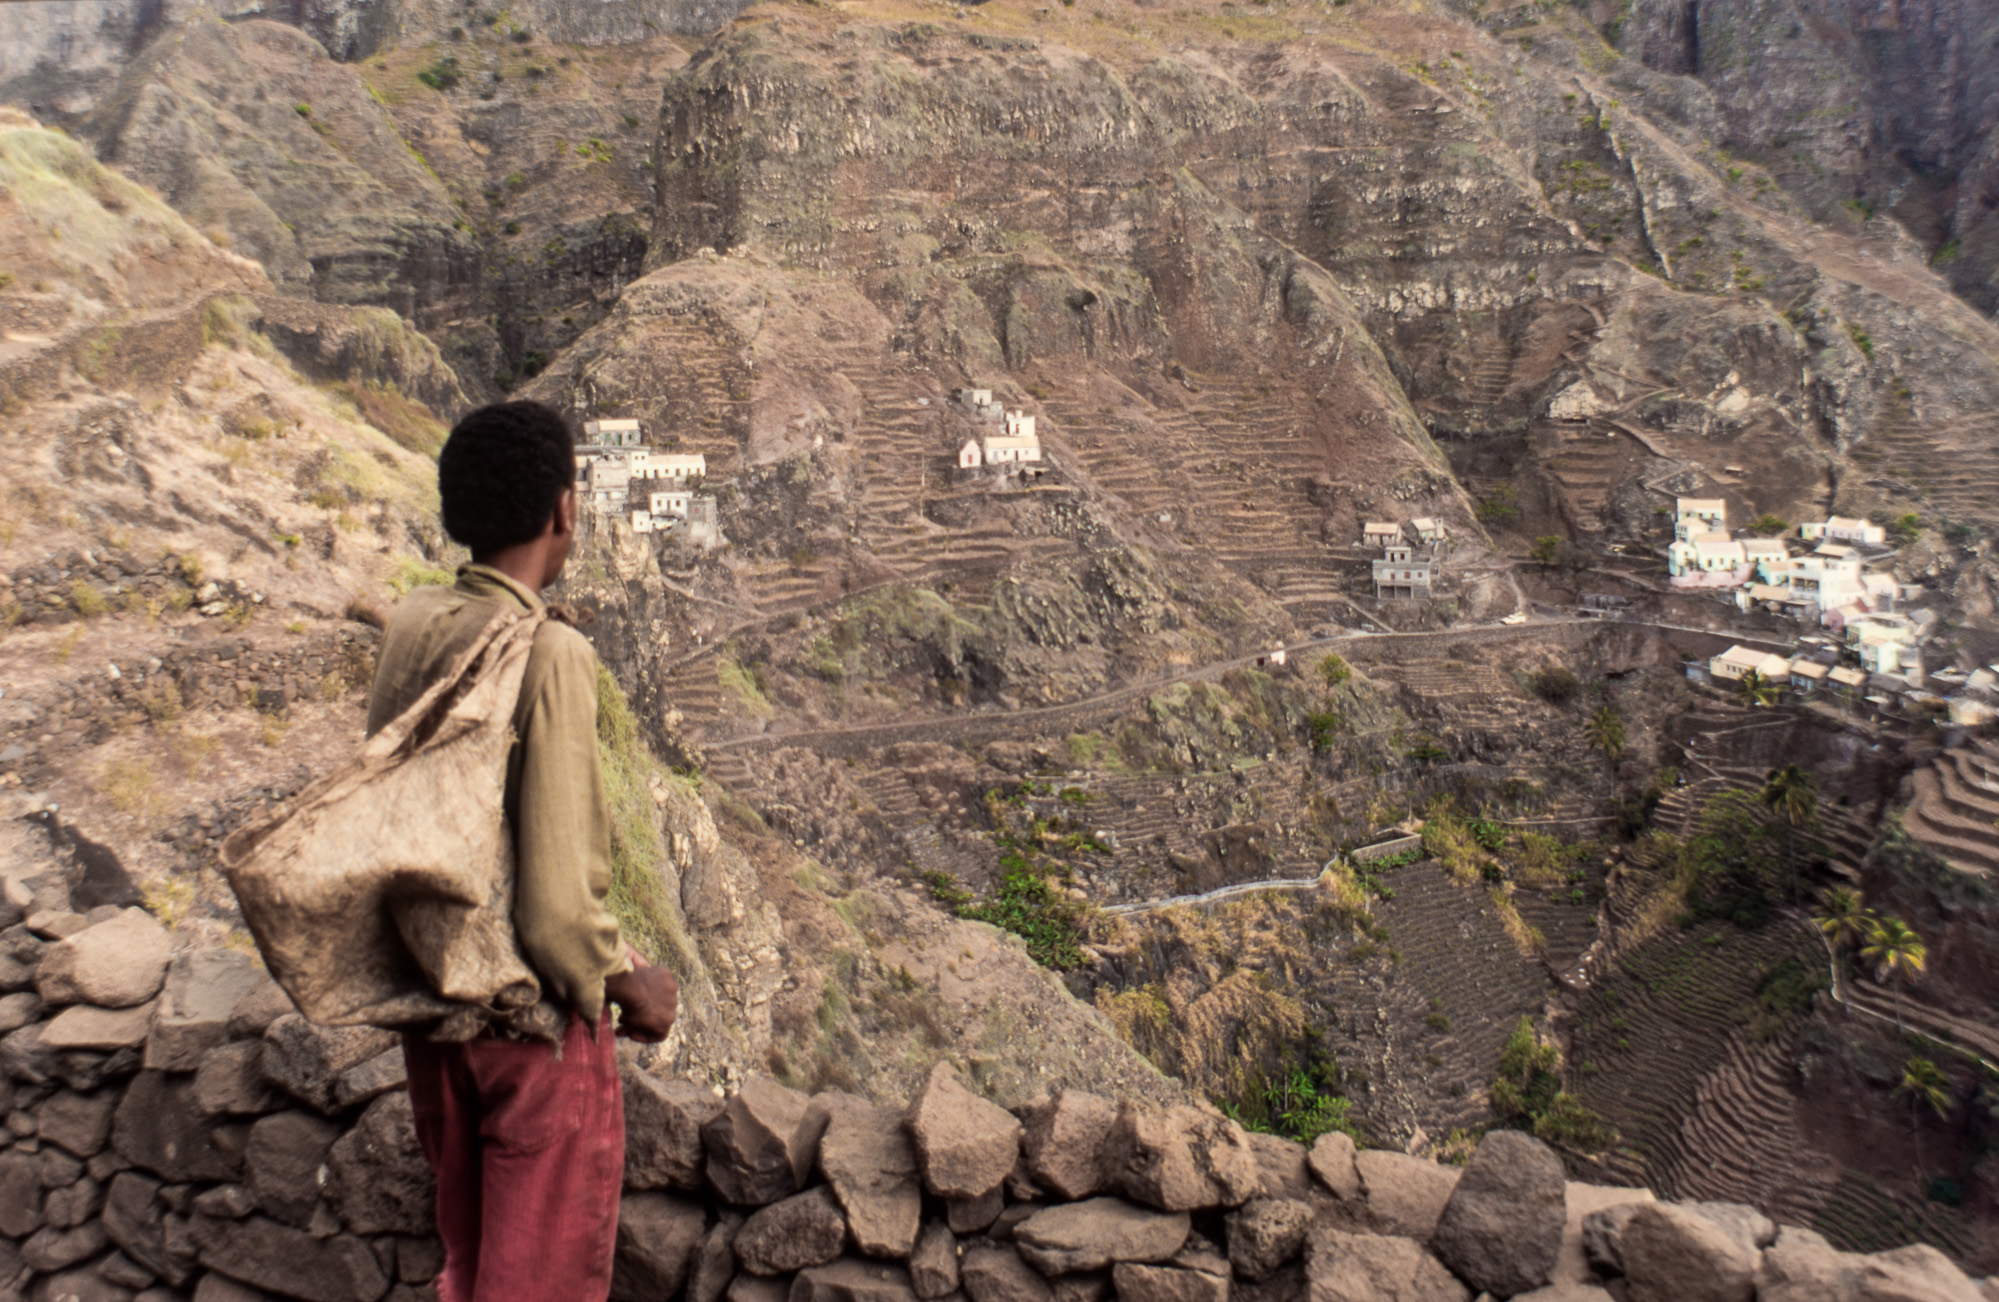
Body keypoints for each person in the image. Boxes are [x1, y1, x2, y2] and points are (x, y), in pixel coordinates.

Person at [365, 399, 680, 1302]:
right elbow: (554, 908)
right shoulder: (550, 653)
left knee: (467, 1268)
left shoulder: (412, 625)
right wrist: (625, 981)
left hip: (434, 1012)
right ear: (565, 511)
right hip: (527, 1034)